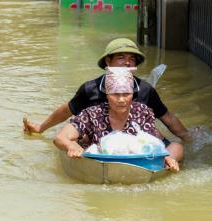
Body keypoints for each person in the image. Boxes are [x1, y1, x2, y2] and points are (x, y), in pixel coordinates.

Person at [23, 38, 191, 166]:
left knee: (174, 148)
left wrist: (188, 139)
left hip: (133, 143)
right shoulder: (91, 93)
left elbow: (167, 118)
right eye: (121, 57)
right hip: (95, 141)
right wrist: (41, 128)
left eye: (131, 59)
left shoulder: (144, 99)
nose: (127, 62)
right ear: (108, 62)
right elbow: (67, 110)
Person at [54, 67, 182, 171]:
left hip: (135, 163)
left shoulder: (142, 112)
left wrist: (166, 158)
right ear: (107, 95)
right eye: (115, 94)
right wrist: (71, 145)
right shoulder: (92, 114)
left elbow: (152, 145)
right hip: (99, 164)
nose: (121, 100)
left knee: (177, 147)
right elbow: (60, 137)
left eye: (126, 94)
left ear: (132, 95)